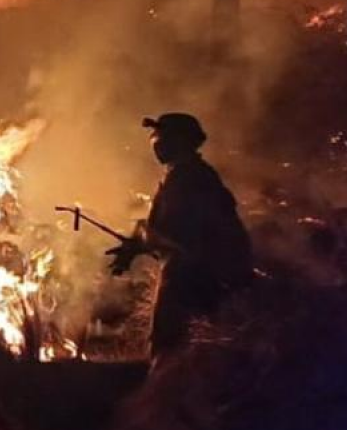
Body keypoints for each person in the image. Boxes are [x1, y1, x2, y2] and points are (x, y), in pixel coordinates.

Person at [107, 112, 253, 360]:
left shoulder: (190, 179)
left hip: (194, 273)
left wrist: (139, 242)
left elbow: (176, 232)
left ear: (182, 141)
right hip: (196, 270)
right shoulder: (183, 175)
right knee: (184, 346)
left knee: (171, 344)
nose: (156, 144)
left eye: (162, 138)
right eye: (155, 138)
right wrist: (135, 244)